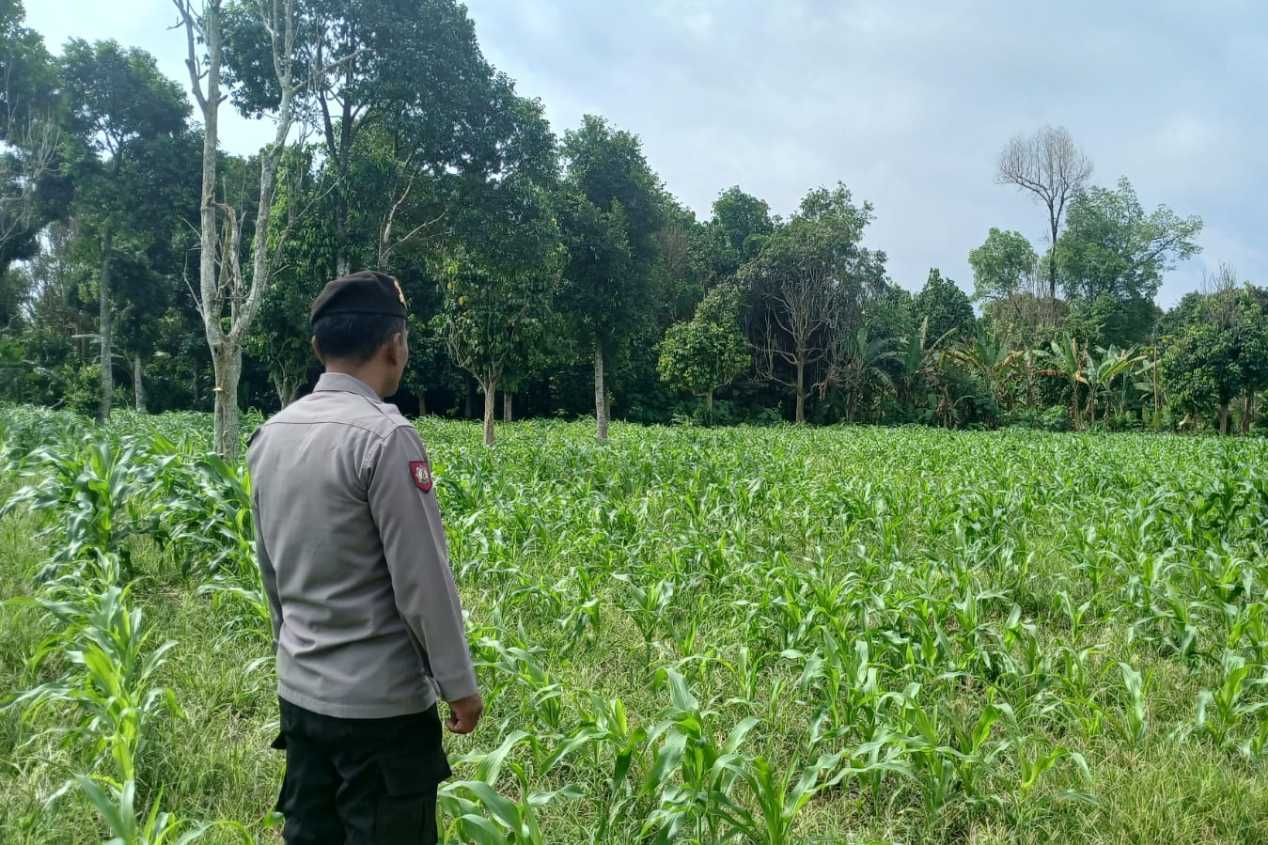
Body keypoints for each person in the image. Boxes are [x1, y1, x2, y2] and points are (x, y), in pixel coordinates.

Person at [247, 270, 483, 844]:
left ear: (318, 347)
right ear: (394, 344)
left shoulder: (271, 435)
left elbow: (271, 570)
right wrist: (459, 684)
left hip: (301, 696)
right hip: (381, 714)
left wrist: (292, 654)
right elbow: (422, 581)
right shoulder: (385, 437)